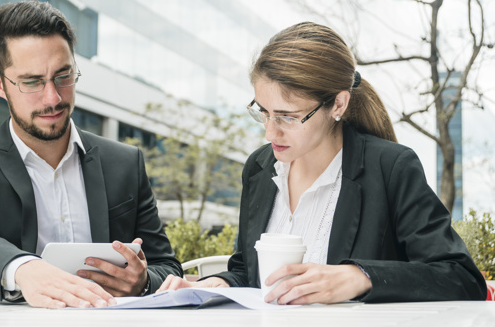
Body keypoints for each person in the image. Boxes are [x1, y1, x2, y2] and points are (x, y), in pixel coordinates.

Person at [158, 22, 486, 303]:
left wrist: (359, 277)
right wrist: (221, 284)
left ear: (338, 104)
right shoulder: (259, 168)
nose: (271, 131)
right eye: (263, 112)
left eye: (287, 116)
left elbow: (460, 277)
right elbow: (248, 268)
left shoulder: (390, 167)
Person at [0, 0, 182, 309]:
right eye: (32, 82)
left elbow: (167, 268)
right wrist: (24, 269)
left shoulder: (124, 162)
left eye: (63, 76)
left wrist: (143, 283)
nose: (53, 97)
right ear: (0, 84)